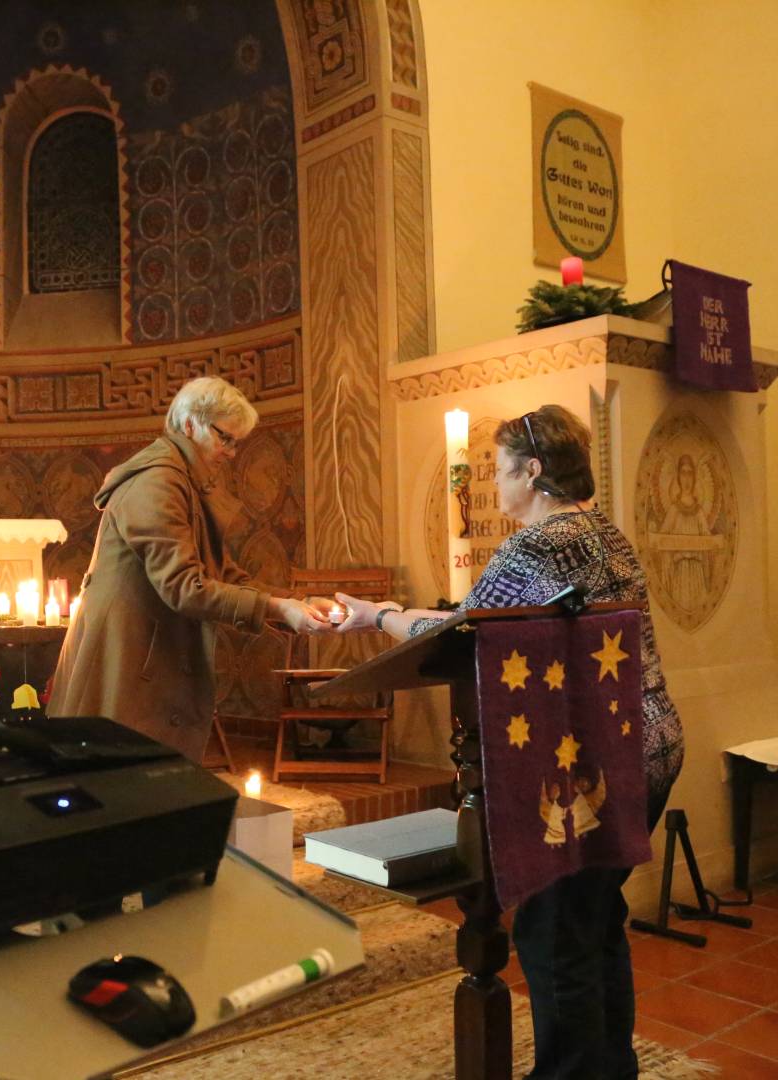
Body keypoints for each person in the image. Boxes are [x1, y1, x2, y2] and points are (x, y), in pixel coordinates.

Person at [336, 405, 682, 1080]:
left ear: (533, 470)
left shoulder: (536, 547)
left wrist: (372, 615)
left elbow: (454, 633)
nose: (495, 485)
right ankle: (611, 1069)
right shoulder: (608, 533)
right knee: (596, 919)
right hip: (651, 746)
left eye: (500, 470)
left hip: (593, 768)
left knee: (554, 933)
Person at [49, 376, 329, 761]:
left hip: (145, 656)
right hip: (126, 663)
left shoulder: (182, 479)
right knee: (123, 793)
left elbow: (222, 575)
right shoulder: (157, 482)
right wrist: (279, 609)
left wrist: (298, 603)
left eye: (236, 442)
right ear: (189, 425)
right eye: (225, 438)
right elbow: (184, 587)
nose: (231, 452)